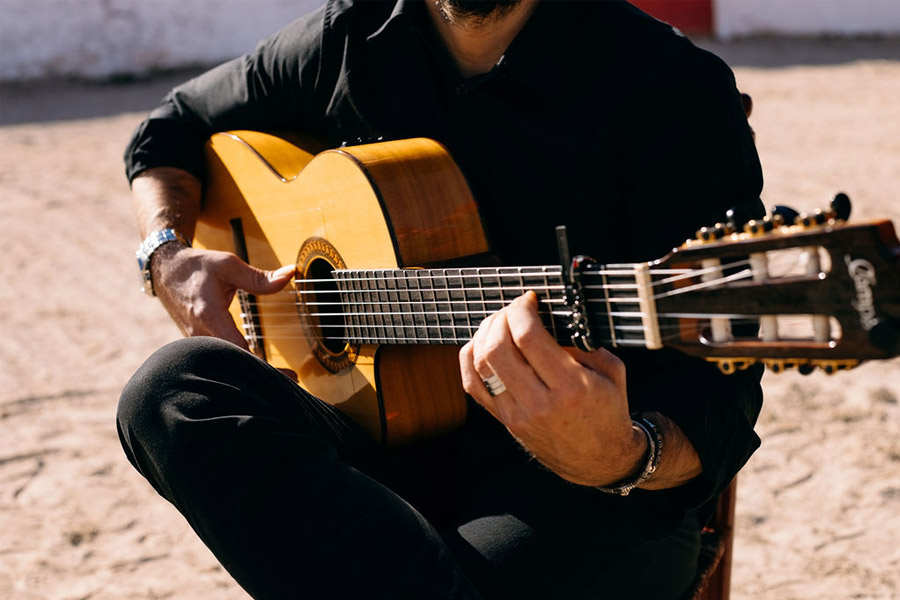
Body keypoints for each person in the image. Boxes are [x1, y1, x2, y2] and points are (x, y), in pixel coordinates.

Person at [118, 1, 766, 598]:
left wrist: (623, 453)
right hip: (379, 441)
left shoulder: (670, 88)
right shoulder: (350, 38)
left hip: (584, 487)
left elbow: (720, 401)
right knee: (171, 391)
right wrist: (166, 253)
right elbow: (171, 127)